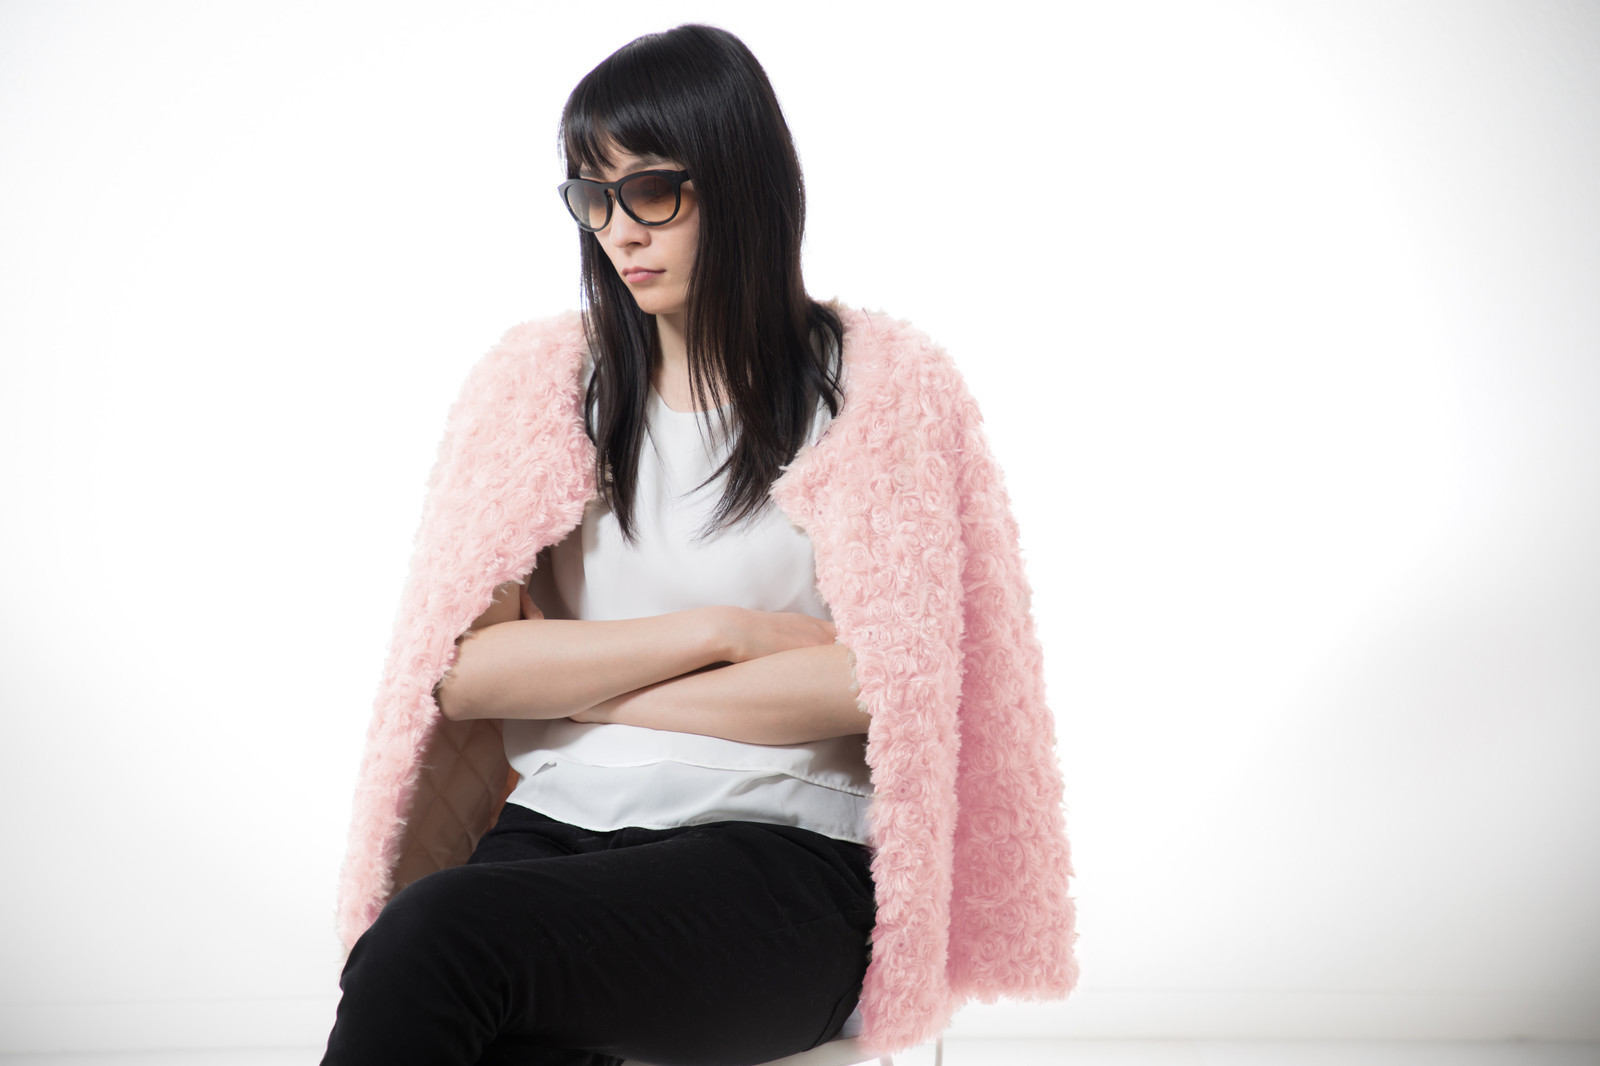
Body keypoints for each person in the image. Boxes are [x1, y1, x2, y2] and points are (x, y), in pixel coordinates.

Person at [324, 20, 1080, 1066]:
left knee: (434, 939)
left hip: (784, 856)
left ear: (742, 182)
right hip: (555, 833)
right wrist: (724, 634)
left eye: (651, 190)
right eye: (593, 195)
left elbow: (878, 687)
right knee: (443, 978)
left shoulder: (878, 390)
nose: (618, 231)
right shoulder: (542, 388)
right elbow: (467, 673)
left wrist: (581, 691)